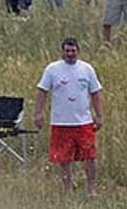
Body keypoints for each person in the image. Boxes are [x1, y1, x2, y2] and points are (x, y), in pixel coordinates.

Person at [34, 37, 104, 196]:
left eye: (73, 51)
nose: (70, 54)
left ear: (78, 51)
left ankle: (91, 190)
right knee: (64, 159)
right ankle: (68, 191)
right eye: (67, 51)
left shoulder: (87, 69)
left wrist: (99, 115)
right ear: (62, 52)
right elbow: (42, 92)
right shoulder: (52, 69)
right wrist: (38, 113)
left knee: (90, 157)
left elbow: (95, 94)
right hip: (60, 122)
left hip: (83, 122)